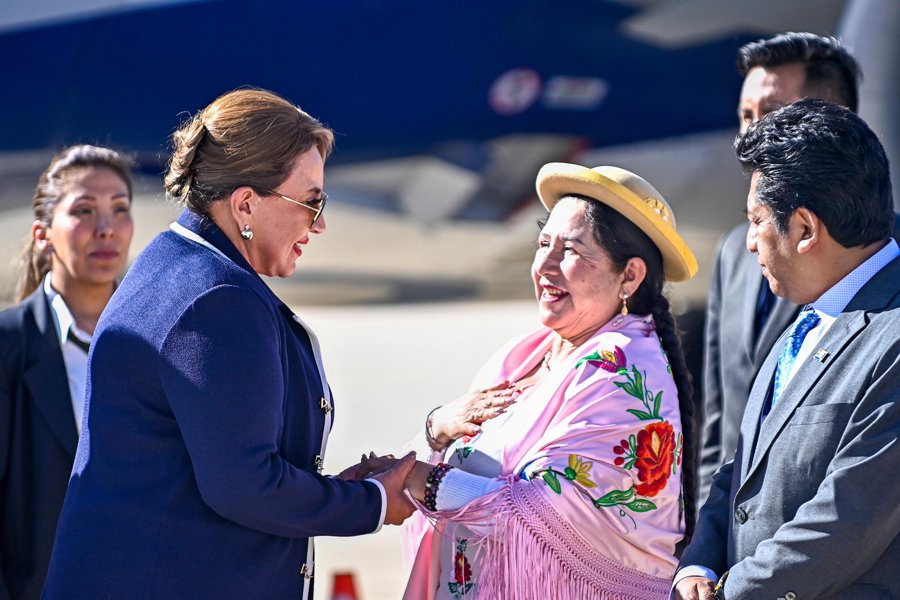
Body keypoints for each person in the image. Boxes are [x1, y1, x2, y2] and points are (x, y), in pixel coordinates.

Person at [42, 89, 415, 600]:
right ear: (245, 205)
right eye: (310, 202)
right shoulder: (219, 299)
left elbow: (215, 464)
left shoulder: (174, 262)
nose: (320, 223)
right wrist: (374, 503)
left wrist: (338, 491)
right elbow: (246, 486)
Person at [395, 163, 700, 599]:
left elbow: (545, 518)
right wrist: (435, 429)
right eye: (543, 244)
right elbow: (461, 460)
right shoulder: (523, 355)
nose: (545, 266)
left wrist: (423, 481)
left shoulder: (624, 368)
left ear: (630, 276)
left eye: (571, 250)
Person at [675, 99, 900, 599]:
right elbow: (743, 467)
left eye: (756, 221)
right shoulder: (811, 314)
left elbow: (848, 518)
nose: (750, 242)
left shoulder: (891, 336)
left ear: (804, 229)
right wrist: (698, 564)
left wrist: (731, 592)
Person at [700, 32, 866, 501]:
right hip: (729, 531)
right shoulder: (735, 250)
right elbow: (718, 423)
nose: (750, 135)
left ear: (833, 120)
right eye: (745, 116)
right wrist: (705, 528)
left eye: (771, 114)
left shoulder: (882, 252)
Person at [0, 145, 135, 600]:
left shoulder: (164, 343)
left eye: (120, 208)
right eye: (84, 210)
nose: (106, 228)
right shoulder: (8, 347)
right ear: (43, 234)